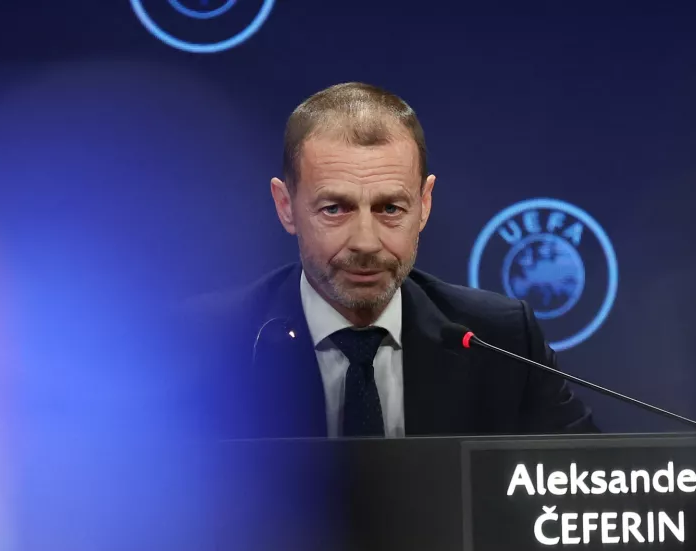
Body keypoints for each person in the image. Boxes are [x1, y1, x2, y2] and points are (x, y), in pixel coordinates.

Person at [182, 82, 596, 440]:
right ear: (286, 206)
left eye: (390, 209)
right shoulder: (204, 345)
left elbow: (588, 491)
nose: (366, 242)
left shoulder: (500, 340)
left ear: (424, 204)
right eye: (335, 209)